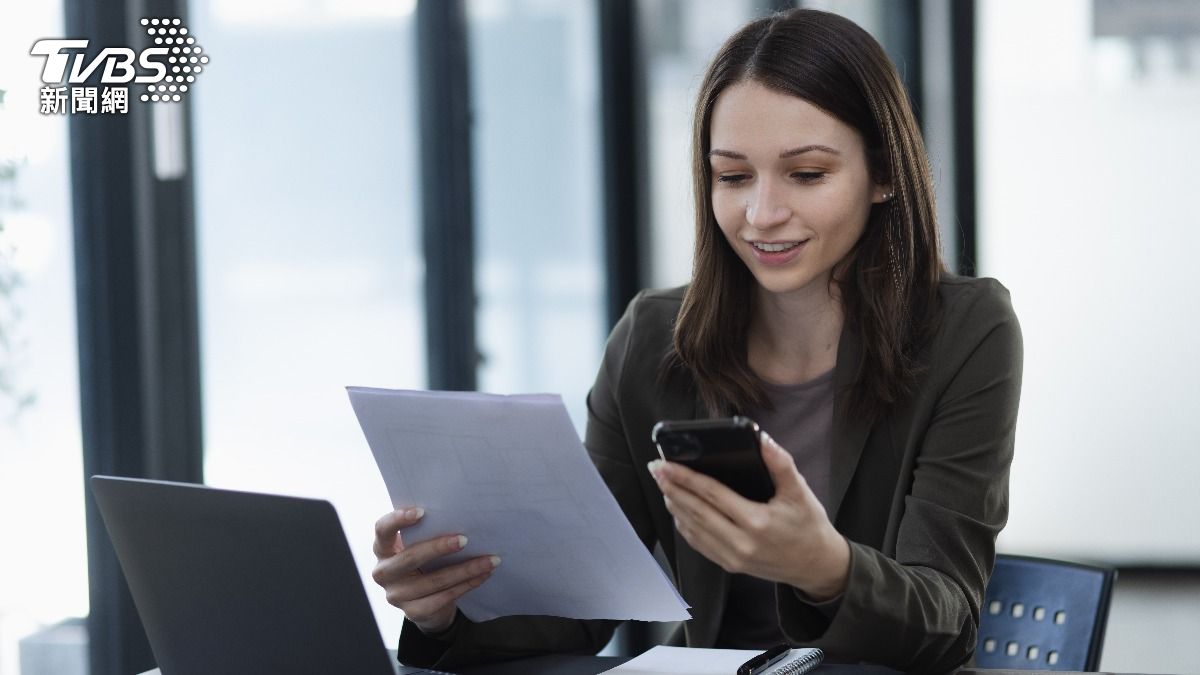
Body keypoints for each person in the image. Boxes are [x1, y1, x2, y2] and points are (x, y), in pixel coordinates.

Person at [371, 8, 1022, 674]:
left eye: (807, 174)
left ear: (882, 173)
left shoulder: (966, 331)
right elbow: (585, 602)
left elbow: (946, 622)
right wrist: (446, 608)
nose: (762, 213)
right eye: (733, 177)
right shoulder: (651, 339)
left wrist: (823, 566)